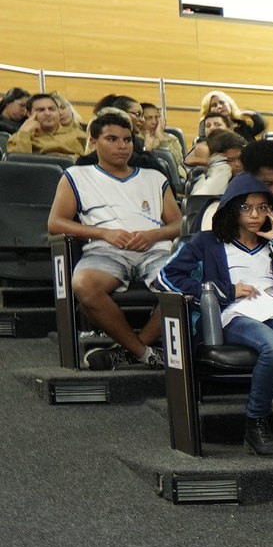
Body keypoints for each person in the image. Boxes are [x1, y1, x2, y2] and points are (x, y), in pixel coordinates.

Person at [154, 174, 273, 457]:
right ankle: (256, 424)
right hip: (233, 314)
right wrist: (226, 290)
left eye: (263, 208)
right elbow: (165, 278)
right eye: (246, 208)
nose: (255, 215)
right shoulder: (206, 242)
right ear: (232, 209)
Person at [49, 112, 178, 369]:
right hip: (105, 250)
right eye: (112, 139)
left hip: (154, 250)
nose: (122, 146)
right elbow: (55, 223)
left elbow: (179, 223)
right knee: (84, 284)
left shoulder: (154, 177)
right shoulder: (76, 175)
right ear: (94, 141)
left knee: (186, 283)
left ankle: (132, 352)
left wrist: (153, 234)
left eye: (127, 140)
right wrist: (105, 233)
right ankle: (143, 352)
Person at [7, 92, 86, 157]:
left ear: (58, 112)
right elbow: (20, 165)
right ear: (29, 114)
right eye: (41, 110)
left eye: (52, 109)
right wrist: (24, 133)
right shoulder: (18, 138)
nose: (48, 113)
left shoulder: (79, 136)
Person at [197, 90, 266, 141]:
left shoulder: (240, 123)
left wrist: (252, 114)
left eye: (222, 102)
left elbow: (259, 128)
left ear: (230, 105)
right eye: (214, 105)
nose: (219, 106)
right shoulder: (206, 125)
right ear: (208, 110)